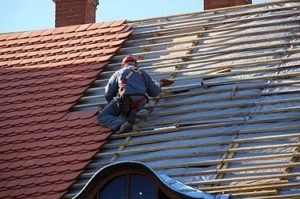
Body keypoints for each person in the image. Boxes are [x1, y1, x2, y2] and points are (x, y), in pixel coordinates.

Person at [97, 55, 174, 134]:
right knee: (124, 112)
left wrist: (112, 104)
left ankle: (121, 123)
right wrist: (160, 84)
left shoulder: (118, 73)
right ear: (135, 64)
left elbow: (108, 93)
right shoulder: (143, 73)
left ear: (122, 65)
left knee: (103, 116)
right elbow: (154, 92)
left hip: (125, 100)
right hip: (141, 102)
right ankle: (129, 116)